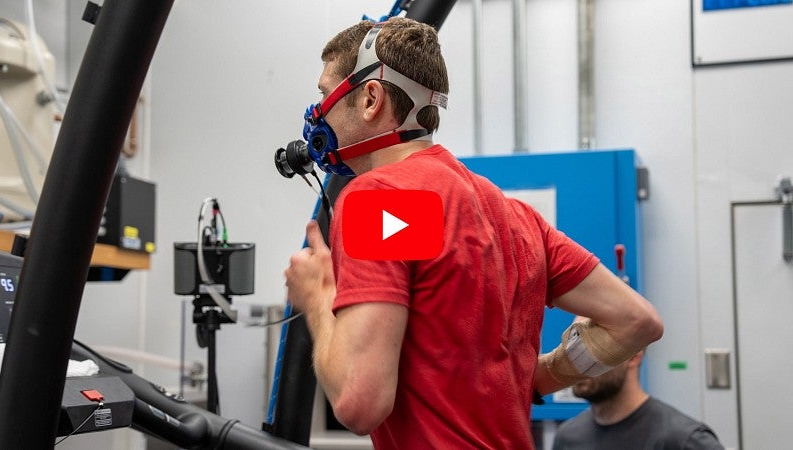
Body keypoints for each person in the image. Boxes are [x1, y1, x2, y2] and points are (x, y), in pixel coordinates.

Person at [283, 17, 664, 449]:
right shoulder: (514, 215)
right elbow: (636, 321)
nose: (318, 112)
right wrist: (537, 376)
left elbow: (360, 404)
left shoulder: (384, 197)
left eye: (324, 94)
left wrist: (317, 294)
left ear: (371, 98)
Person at [552, 350, 724, 450]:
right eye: (572, 349)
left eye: (592, 349)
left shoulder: (683, 441)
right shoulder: (567, 438)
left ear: (633, 355)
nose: (576, 363)